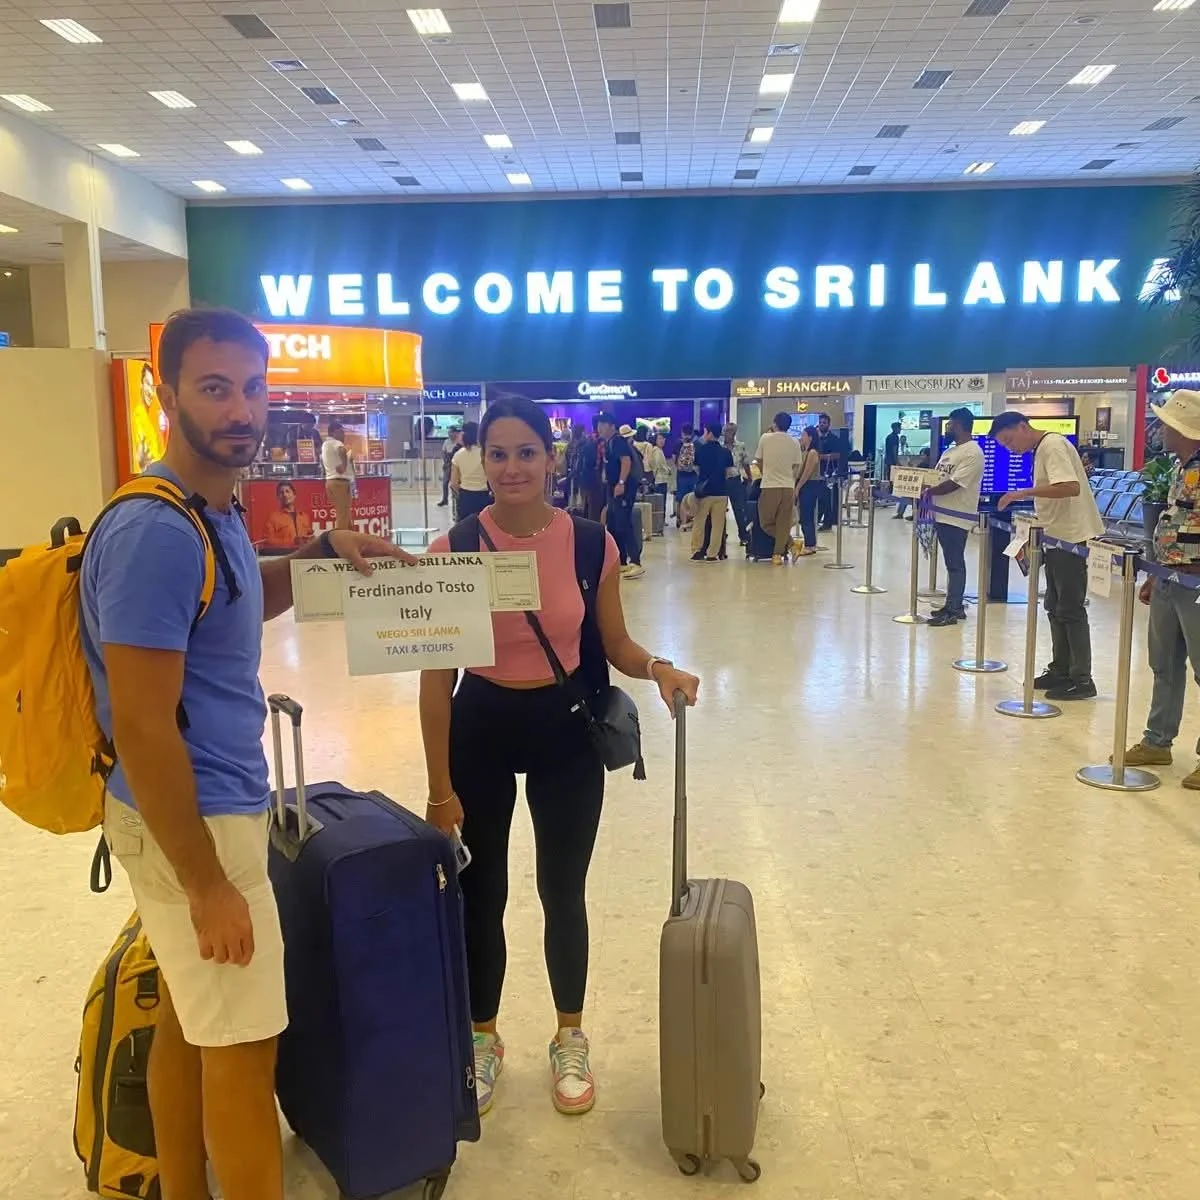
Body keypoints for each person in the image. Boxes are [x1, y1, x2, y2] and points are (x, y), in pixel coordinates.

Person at [80, 307, 407, 1200]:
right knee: (245, 1047)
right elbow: (145, 725)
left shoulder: (207, 508)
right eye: (214, 389)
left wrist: (315, 554)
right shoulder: (153, 531)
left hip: (195, 810)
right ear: (166, 395)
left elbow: (229, 601)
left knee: (195, 1027)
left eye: (254, 389)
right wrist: (208, 884)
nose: (240, 410)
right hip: (196, 820)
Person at [419, 395, 700, 1118]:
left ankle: (568, 1036)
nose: (512, 467)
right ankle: (483, 1038)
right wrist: (437, 786)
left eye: (526, 452)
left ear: (551, 458)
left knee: (561, 891)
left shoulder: (587, 542)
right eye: (499, 453)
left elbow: (614, 643)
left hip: (563, 725)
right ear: (480, 461)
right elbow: (434, 679)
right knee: (484, 896)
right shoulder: (453, 548)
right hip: (479, 724)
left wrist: (660, 667)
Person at [1118, 390, 1200, 785]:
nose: (1159, 429)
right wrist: (1155, 573)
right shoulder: (1180, 468)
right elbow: (1172, 525)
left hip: (1196, 583)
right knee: (1164, 663)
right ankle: (1157, 741)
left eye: (1166, 423)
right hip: (1169, 577)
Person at [995, 410, 1104, 700]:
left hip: (1069, 537)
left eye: (1009, 440)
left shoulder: (1052, 445)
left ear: (1022, 426)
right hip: (1055, 536)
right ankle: (1061, 669)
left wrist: (1022, 493)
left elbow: (1069, 487)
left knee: (1070, 607)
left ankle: (1081, 679)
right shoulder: (1042, 449)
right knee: (1055, 605)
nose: (1011, 448)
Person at [923, 407, 985, 628]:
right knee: (951, 563)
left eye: (950, 424)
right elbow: (938, 476)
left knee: (955, 563)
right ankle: (953, 604)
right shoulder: (950, 451)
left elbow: (955, 483)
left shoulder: (973, 452)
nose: (948, 428)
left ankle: (954, 608)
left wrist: (929, 492)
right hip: (941, 514)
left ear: (960, 425)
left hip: (956, 515)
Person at [596, 412, 644, 579]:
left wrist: (621, 483)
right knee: (615, 524)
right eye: (598, 425)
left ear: (611, 426)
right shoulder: (609, 443)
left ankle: (635, 562)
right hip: (612, 488)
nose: (599, 428)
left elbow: (626, 461)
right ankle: (621, 561)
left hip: (622, 489)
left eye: (602, 425)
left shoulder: (618, 442)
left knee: (624, 523)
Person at [753, 412, 803, 565]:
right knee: (783, 521)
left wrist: (766, 473)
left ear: (774, 423)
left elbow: (759, 460)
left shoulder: (765, 438)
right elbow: (796, 465)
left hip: (770, 485)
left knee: (765, 522)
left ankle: (790, 544)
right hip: (788, 486)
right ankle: (777, 554)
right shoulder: (795, 442)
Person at [691, 423, 733, 562]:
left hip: (704, 492)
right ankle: (712, 553)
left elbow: (696, 469)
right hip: (721, 492)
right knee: (718, 524)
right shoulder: (726, 452)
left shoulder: (701, 450)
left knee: (699, 522)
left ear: (708, 433)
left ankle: (697, 550)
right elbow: (728, 472)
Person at [794, 426, 823, 557]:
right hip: (805, 485)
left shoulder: (812, 453)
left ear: (810, 437)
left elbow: (807, 473)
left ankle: (810, 544)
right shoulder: (804, 451)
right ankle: (809, 542)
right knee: (804, 514)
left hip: (810, 485)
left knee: (807, 515)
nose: (801, 437)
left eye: (803, 435)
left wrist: (798, 487)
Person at [451, 421, 490, 519]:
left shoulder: (458, 455)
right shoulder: (487, 453)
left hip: (466, 498)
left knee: (466, 531)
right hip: (485, 497)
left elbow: (454, 483)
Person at [722, 422, 752, 545]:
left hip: (735, 480)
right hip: (722, 480)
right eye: (727, 432)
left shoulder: (740, 446)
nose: (730, 434)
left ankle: (744, 536)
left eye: (732, 432)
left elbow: (745, 463)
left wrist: (749, 477)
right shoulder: (719, 446)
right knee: (720, 510)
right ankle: (721, 535)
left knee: (739, 509)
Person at [262, 481, 314, 551]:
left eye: (287, 491)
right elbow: (267, 541)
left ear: (294, 495)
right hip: (284, 557)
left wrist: (310, 539)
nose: (285, 495)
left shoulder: (304, 516)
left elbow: (309, 537)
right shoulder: (273, 518)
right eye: (281, 492)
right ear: (278, 497)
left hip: (302, 557)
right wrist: (292, 542)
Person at [321, 421, 354, 531]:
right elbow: (342, 450)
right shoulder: (335, 443)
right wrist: (344, 465)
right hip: (339, 482)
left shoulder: (325, 445)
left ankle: (349, 536)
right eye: (341, 432)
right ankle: (340, 541)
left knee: (345, 513)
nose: (343, 435)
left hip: (330, 481)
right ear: (334, 432)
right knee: (343, 514)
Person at [816, 413, 842, 530]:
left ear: (829, 424)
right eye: (820, 422)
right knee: (819, 497)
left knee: (828, 499)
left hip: (830, 473)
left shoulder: (834, 439)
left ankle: (828, 523)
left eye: (824, 423)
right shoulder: (816, 439)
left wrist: (822, 457)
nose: (822, 425)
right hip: (817, 473)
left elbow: (837, 455)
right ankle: (817, 519)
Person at [674, 424, 699, 527]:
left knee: (681, 498)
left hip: (682, 475)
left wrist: (679, 467)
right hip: (693, 475)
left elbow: (674, 458)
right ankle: (691, 521)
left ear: (682, 432)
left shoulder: (678, 443)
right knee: (693, 497)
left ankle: (681, 521)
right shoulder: (696, 444)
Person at [439, 427, 462, 507]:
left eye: (451, 432)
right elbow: (444, 453)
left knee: (455, 483)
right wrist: (445, 463)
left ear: (455, 433)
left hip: (457, 464)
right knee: (445, 483)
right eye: (448, 433)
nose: (449, 434)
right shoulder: (446, 442)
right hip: (448, 464)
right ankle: (445, 500)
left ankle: (456, 500)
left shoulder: (459, 442)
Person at [884, 421, 902, 497]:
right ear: (895, 428)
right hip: (892, 461)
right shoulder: (895, 437)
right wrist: (897, 462)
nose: (900, 429)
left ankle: (890, 493)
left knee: (890, 477)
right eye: (899, 428)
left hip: (887, 460)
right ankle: (892, 494)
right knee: (893, 478)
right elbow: (894, 451)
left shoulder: (888, 436)